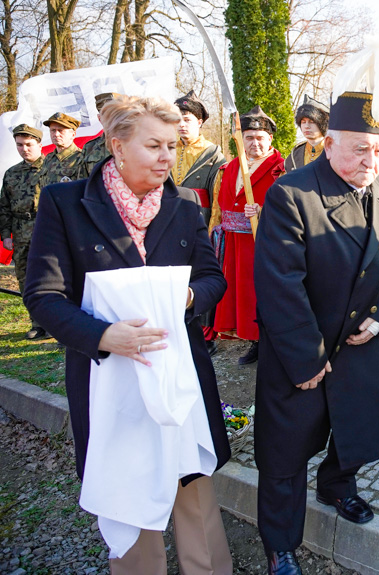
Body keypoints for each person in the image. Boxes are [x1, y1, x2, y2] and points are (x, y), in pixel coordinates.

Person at [22, 95, 232, 573]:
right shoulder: (66, 203)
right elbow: (44, 295)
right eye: (154, 145)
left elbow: (212, 277)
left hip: (178, 372)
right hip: (111, 378)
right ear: (117, 146)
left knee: (192, 488)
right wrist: (102, 336)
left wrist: (187, 297)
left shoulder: (184, 203)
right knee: (129, 489)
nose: (167, 157)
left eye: (172, 146)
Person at [253, 91, 379, 575]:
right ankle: (281, 544)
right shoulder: (292, 193)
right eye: (361, 148)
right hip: (305, 345)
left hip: (358, 343)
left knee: (355, 430)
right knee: (286, 452)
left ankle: (338, 486)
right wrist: (306, 358)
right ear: (330, 143)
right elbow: (280, 285)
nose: (372, 160)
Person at [209, 105, 283, 365]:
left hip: (262, 242)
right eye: (248, 138)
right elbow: (220, 205)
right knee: (240, 294)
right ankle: (253, 341)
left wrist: (263, 211)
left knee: (260, 292)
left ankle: (269, 343)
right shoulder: (231, 167)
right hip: (234, 242)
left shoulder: (280, 169)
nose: (254, 143)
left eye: (260, 138)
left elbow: (290, 206)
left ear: (270, 139)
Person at [173, 90, 228, 356]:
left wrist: (211, 231)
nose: (181, 124)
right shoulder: (168, 149)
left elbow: (217, 199)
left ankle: (205, 334)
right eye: (177, 119)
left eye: (186, 119)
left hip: (200, 220)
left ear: (199, 122)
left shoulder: (214, 157)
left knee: (199, 276)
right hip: (168, 222)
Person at [0, 124, 45, 339]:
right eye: (19, 145)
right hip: (20, 232)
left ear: (39, 144)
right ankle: (37, 323)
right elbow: (4, 207)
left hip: (47, 229)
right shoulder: (11, 173)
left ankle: (56, 322)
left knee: (52, 276)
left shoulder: (52, 167)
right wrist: (6, 235)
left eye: (28, 144)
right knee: (25, 279)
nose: (24, 149)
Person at [38, 111, 85, 188]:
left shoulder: (82, 158)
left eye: (61, 130)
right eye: (53, 130)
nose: (56, 134)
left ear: (73, 135)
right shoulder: (48, 159)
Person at [285, 94, 329, 173]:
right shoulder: (295, 154)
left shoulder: (333, 151)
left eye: (312, 122)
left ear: (322, 124)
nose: (306, 126)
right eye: (303, 122)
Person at [81, 92, 120, 176]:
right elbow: (83, 184)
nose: (110, 118)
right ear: (99, 118)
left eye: (114, 114)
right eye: (106, 114)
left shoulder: (134, 143)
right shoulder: (89, 148)